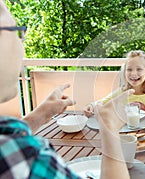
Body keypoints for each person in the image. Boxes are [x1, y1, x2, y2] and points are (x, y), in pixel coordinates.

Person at [0, 1, 130, 178]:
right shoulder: (24, 157)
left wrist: (39, 116)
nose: (22, 46)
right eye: (17, 32)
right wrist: (109, 128)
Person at [83, 50, 145, 117]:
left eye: (139, 69)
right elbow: (101, 103)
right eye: (129, 69)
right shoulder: (121, 92)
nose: (133, 73)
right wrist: (90, 106)